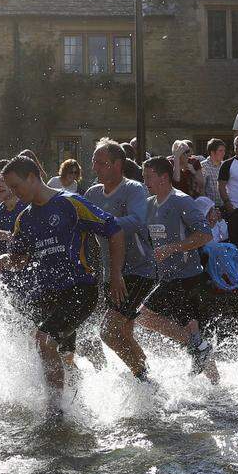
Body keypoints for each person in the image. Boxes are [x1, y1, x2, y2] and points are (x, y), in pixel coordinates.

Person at [0, 156, 124, 415]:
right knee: (60, 354)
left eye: (15, 186)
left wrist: (115, 275)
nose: (13, 193)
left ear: (32, 177)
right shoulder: (25, 218)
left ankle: (56, 412)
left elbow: (115, 230)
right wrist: (7, 261)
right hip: (49, 295)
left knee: (44, 340)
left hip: (80, 290)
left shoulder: (70, 203)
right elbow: (20, 259)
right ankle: (81, 402)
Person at [100, 155, 217, 385]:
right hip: (165, 276)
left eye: (148, 177)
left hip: (186, 277)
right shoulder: (150, 204)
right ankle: (219, 389)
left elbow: (205, 235)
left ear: (164, 177)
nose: (145, 181)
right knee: (193, 330)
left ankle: (197, 347)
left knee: (144, 317)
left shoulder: (182, 201)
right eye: (143, 177)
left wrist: (173, 247)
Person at [84, 139, 154, 373]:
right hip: (110, 272)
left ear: (117, 164)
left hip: (138, 270)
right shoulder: (92, 193)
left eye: (101, 163)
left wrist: (104, 224)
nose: (95, 168)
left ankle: (144, 379)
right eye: (94, 163)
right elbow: (81, 225)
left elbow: (136, 221)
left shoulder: (133, 188)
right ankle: (149, 379)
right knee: (123, 331)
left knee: (109, 332)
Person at [199, 139, 226, 204]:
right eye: (220, 151)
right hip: (211, 207)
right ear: (212, 152)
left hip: (226, 205)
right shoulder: (203, 166)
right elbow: (201, 189)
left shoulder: (225, 165)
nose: (223, 153)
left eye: (224, 151)